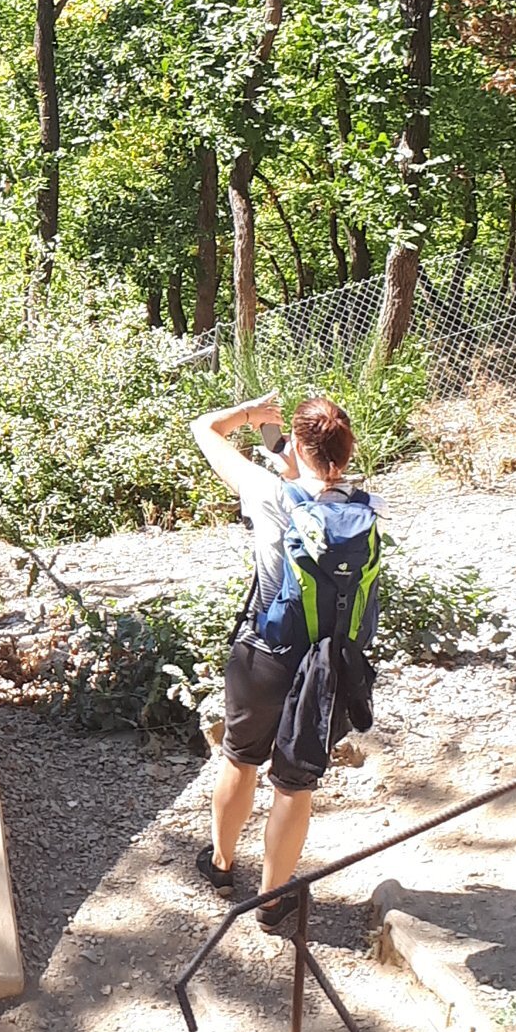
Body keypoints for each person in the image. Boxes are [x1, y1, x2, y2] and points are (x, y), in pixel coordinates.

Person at [190, 391, 367, 921]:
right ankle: (272, 900)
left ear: (300, 445)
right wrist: (299, 465)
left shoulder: (266, 490)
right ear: (348, 451)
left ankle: (221, 865)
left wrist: (252, 415)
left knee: (240, 759)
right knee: (294, 785)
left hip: (265, 654)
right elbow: (319, 488)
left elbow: (205, 428)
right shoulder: (363, 508)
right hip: (328, 665)